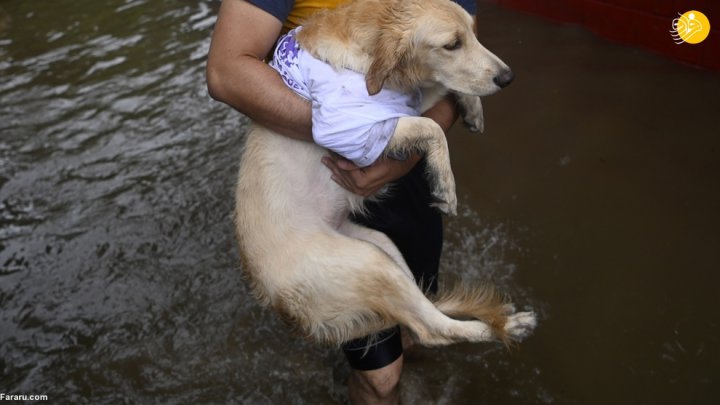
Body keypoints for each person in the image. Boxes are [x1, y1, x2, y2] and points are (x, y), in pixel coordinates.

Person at [206, 0, 474, 402]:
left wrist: (410, 153)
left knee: (416, 326)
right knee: (382, 379)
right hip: (319, 165)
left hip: (407, 158)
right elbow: (226, 72)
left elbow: (463, 62)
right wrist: (356, 137)